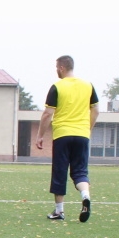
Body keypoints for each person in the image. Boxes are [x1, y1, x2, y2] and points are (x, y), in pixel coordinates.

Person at [34, 55, 98, 222]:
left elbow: (48, 114)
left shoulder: (57, 87)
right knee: (80, 171)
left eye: (56, 67)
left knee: (60, 172)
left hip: (63, 134)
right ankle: (85, 196)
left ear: (61, 68)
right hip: (82, 135)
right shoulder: (88, 86)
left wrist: (40, 136)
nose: (56, 70)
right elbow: (96, 110)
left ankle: (59, 211)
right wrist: (87, 129)